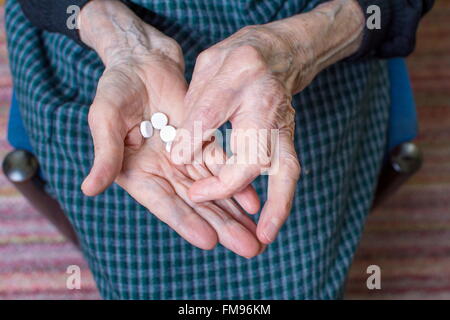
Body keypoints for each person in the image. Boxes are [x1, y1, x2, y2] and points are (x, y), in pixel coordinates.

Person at [6, 0, 433, 299]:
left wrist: (297, 48)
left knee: (293, 279)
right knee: (143, 282)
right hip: (106, 55)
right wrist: (119, 38)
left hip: (311, 42)